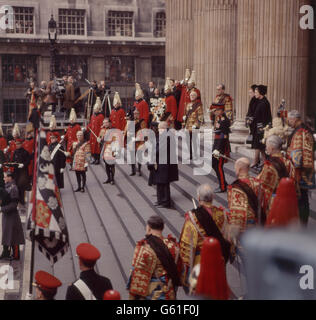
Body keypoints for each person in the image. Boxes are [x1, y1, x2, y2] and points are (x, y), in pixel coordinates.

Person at [179, 184, 231, 292]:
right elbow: (228, 238)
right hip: (218, 257)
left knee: (201, 290)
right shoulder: (222, 215)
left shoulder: (193, 218)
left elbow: (187, 244)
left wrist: (185, 268)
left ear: (198, 198)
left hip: (200, 260)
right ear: (213, 198)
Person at [127, 216, 182, 300]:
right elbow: (179, 270)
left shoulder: (145, 248)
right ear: (162, 228)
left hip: (153, 293)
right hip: (170, 292)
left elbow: (138, 277)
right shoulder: (174, 246)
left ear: (148, 228)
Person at [287, 110, 315, 226]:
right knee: (303, 198)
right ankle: (302, 222)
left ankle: (302, 223)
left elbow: (297, 155)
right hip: (304, 170)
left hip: (300, 172)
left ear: (294, 119)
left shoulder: (300, 132)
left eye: (289, 120)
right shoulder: (305, 129)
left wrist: (292, 167)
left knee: (302, 198)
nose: (289, 122)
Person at [258, 135, 296, 215]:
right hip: (288, 199)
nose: (266, 148)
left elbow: (262, 183)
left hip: (274, 200)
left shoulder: (269, 165)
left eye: (267, 146)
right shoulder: (288, 162)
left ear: (272, 148)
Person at [228, 158, 265, 240]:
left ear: (239, 169)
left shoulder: (235, 188)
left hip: (245, 227)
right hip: (257, 223)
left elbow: (237, 214)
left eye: (235, 168)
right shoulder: (258, 183)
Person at [152, 122, 179, 208]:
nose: (158, 130)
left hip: (165, 163)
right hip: (161, 162)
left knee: (164, 183)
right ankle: (160, 200)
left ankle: (165, 202)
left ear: (163, 128)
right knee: (159, 182)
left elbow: (160, 149)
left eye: (160, 128)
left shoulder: (166, 136)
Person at [0, 172, 25, 260]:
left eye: (5, 177)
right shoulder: (7, 187)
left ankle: (16, 255)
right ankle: (6, 252)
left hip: (12, 216)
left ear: (10, 178)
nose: (4, 179)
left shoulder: (13, 188)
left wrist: (2, 209)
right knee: (7, 234)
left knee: (14, 236)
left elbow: (14, 205)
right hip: (7, 216)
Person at [211, 103, 231, 193]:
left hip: (221, 146)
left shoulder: (224, 121)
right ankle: (224, 183)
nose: (215, 112)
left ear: (222, 110)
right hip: (217, 144)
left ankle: (222, 186)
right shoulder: (219, 119)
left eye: (217, 110)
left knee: (218, 166)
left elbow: (223, 136)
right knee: (215, 165)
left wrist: (218, 149)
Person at [251, 85, 272, 168]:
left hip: (261, 128)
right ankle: (264, 161)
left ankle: (258, 161)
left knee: (259, 145)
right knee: (260, 146)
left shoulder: (264, 103)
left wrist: (262, 129)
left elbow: (265, 118)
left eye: (256, 92)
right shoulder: (260, 101)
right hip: (258, 127)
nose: (255, 94)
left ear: (260, 93)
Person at [182, 90, 204, 160]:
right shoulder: (188, 104)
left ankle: (196, 154)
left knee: (194, 141)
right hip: (188, 125)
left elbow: (200, 116)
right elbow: (186, 114)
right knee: (188, 141)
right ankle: (190, 154)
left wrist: (197, 124)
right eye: (191, 95)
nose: (192, 97)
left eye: (193, 95)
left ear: (196, 96)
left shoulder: (198, 105)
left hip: (194, 125)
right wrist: (184, 117)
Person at [98, 119, 117, 185]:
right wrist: (99, 139)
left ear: (109, 123)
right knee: (106, 164)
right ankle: (108, 178)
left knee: (112, 164)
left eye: (106, 122)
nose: (105, 124)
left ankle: (112, 179)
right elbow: (100, 138)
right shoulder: (102, 130)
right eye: (104, 123)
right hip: (105, 148)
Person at [12, 139, 30, 205]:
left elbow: (28, 161)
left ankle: (22, 201)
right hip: (16, 172)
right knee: (16, 186)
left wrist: (23, 164)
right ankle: (17, 201)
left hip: (23, 172)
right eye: (16, 144)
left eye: (18, 144)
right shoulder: (15, 152)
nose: (17, 145)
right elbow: (13, 160)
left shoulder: (25, 152)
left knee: (22, 187)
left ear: (21, 144)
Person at [88, 97, 104, 165]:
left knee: (97, 147)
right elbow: (91, 124)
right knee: (92, 146)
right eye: (94, 109)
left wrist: (100, 136)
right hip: (92, 134)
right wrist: (88, 126)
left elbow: (102, 126)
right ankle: (94, 158)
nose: (94, 110)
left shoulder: (101, 116)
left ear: (99, 109)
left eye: (96, 109)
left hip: (97, 134)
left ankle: (97, 159)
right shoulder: (92, 116)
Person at [245, 84, 258, 154]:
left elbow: (254, 112)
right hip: (252, 123)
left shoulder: (256, 101)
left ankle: (256, 160)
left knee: (257, 145)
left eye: (250, 92)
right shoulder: (253, 100)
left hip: (255, 124)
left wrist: (249, 119)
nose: (249, 94)